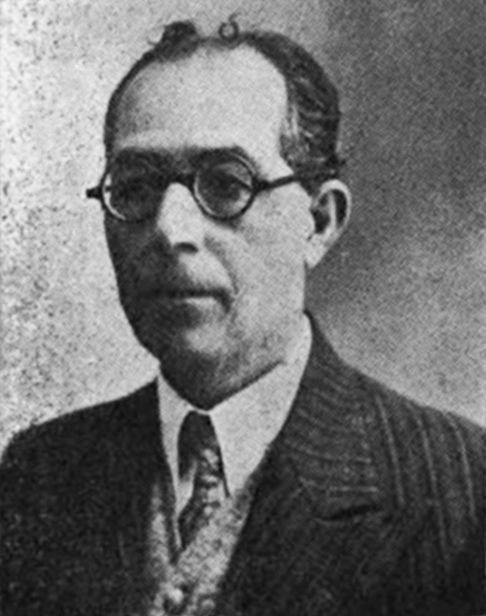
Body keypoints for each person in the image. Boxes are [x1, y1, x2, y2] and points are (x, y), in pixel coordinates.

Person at [1, 19, 484, 616]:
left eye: (227, 184)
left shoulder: (458, 487)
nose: (170, 230)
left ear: (320, 221)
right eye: (135, 188)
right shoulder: (39, 475)